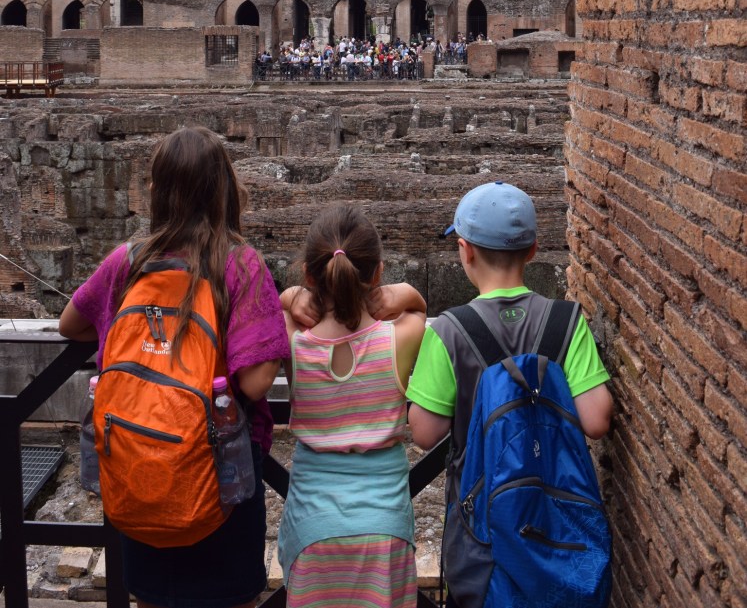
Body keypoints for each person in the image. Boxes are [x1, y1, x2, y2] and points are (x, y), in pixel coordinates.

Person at [59, 126, 290, 608]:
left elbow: (69, 325)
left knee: (151, 599)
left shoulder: (127, 261)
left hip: (141, 469)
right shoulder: (239, 265)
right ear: (224, 188)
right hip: (221, 478)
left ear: (157, 190)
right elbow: (255, 383)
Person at [406, 181, 613, 608]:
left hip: (483, 532)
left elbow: (424, 433)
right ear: (533, 250)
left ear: (464, 251)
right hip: (558, 522)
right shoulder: (567, 322)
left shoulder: (448, 331)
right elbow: (596, 420)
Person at [278, 203, 426, 608]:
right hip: (385, 527)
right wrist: (403, 292)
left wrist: (291, 296)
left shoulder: (293, 337)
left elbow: (276, 306)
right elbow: (418, 307)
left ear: (310, 275)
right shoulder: (400, 337)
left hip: (312, 526)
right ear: (377, 273)